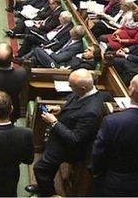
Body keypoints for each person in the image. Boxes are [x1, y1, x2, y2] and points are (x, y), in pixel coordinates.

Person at [26, 69, 110, 197]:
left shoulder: (92, 112)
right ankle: (44, 185)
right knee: (48, 169)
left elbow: (75, 139)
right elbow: (73, 102)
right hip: (61, 136)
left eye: (72, 86)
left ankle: (49, 194)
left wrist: (54, 123)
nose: (69, 87)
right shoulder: (84, 92)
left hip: (69, 148)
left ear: (82, 88)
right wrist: (60, 108)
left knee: (40, 168)